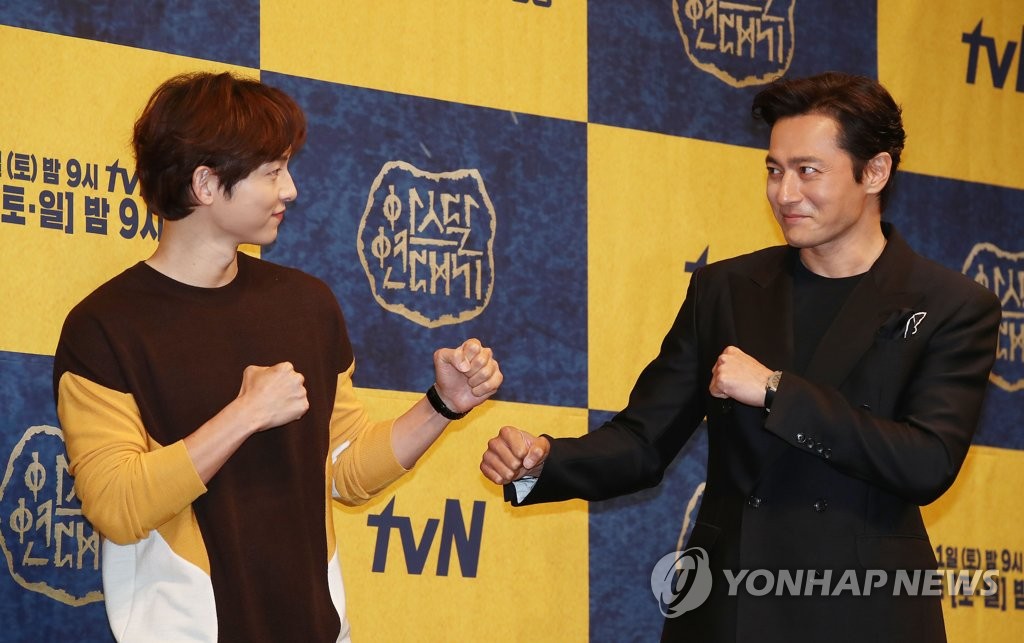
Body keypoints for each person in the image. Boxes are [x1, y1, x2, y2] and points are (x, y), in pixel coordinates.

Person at [480, 71, 1000, 642]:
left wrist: (777, 391)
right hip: (728, 608)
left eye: (808, 171)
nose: (785, 193)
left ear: (874, 171)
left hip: (862, 611)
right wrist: (546, 461)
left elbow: (926, 462)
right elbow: (644, 442)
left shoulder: (950, 304)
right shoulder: (724, 290)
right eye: (774, 170)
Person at [53, 71, 502, 643]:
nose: (290, 190)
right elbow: (117, 506)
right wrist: (245, 415)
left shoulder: (306, 306)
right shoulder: (105, 327)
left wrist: (442, 405)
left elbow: (344, 468)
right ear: (205, 184)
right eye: (272, 172)